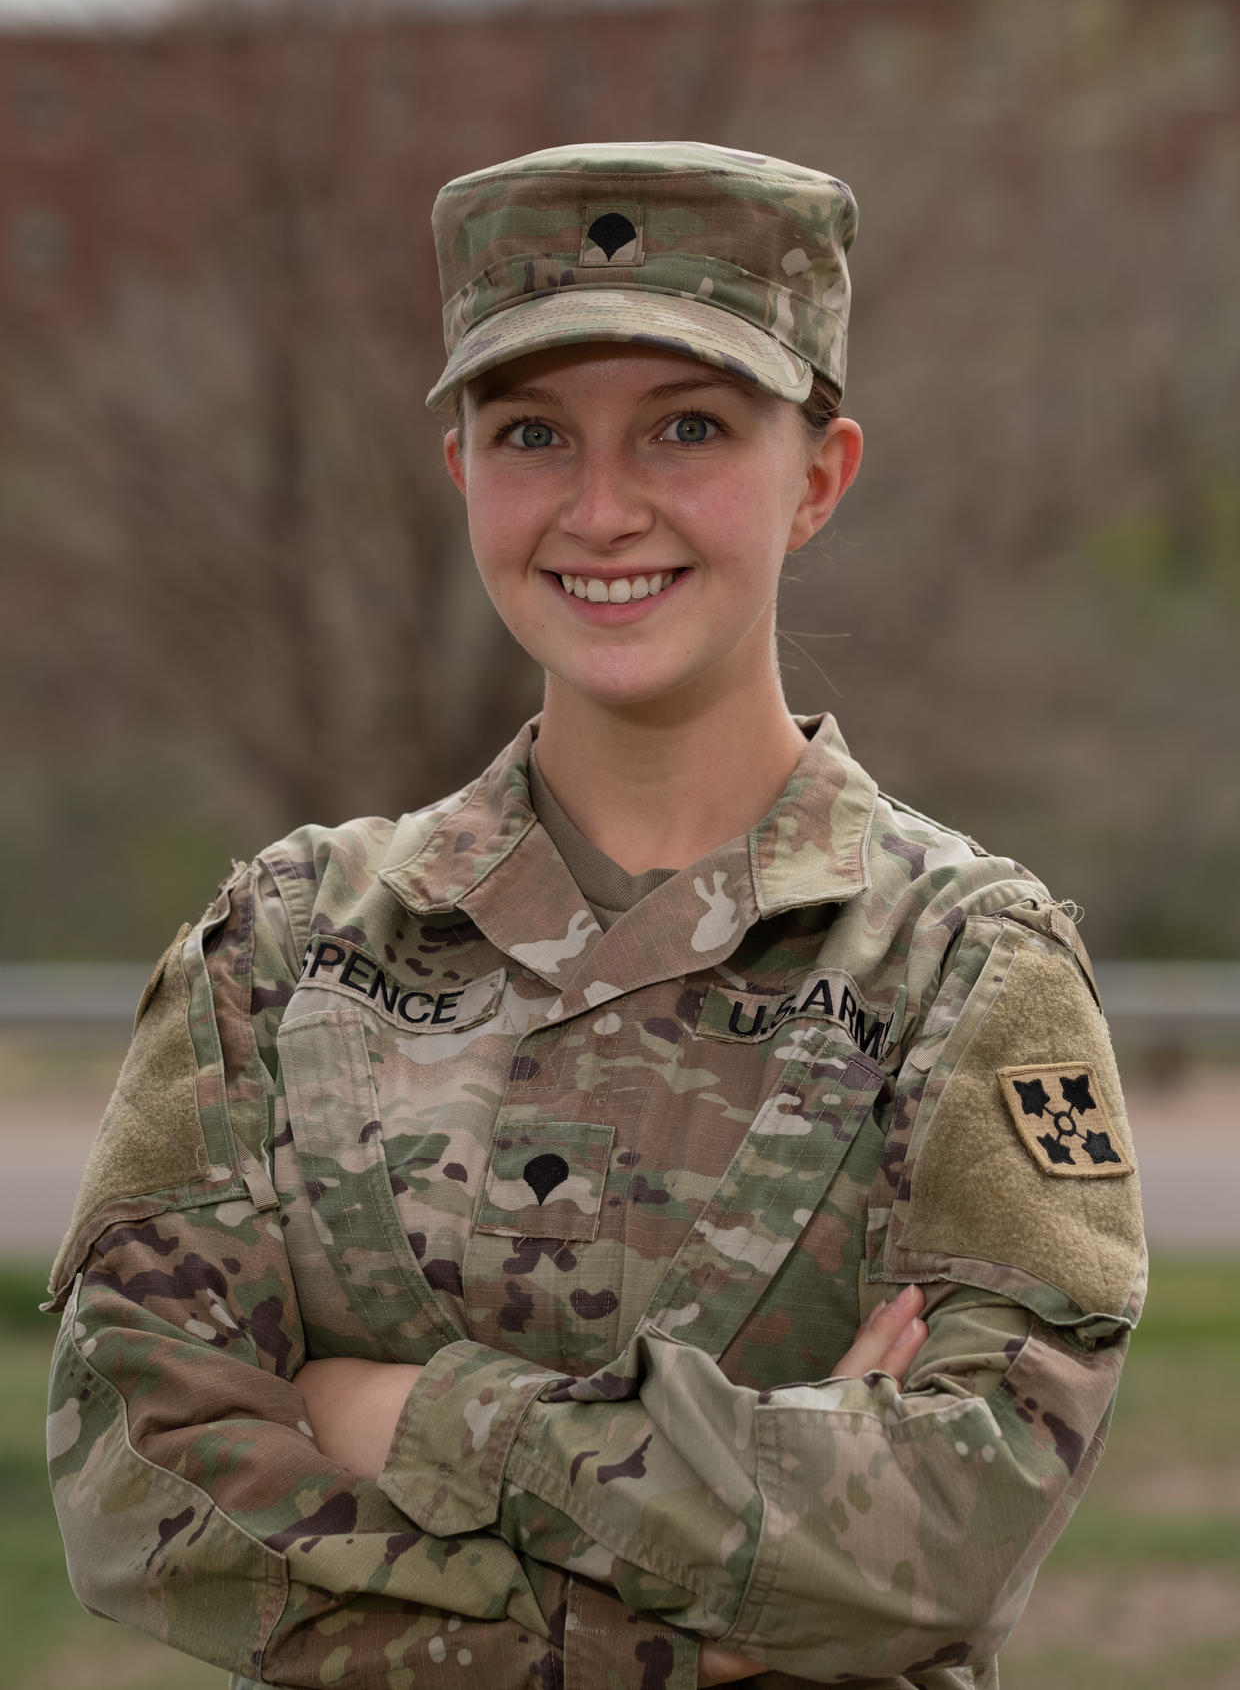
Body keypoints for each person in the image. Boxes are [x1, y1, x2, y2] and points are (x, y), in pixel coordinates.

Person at [46, 142, 1145, 1690]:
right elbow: (136, 1488)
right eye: (533, 434)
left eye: (689, 427)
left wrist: (408, 1417)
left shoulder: (963, 968)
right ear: (463, 475)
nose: (604, 507)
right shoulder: (284, 949)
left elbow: (951, 1531)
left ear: (819, 477)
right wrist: (747, 1576)